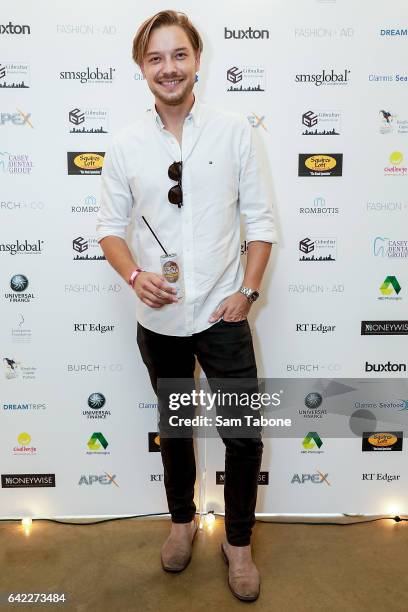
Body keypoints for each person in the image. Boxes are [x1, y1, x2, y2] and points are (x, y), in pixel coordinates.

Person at [96, 10, 278, 602]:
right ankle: (181, 525)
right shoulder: (124, 144)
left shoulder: (234, 131)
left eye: (178, 55)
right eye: (155, 58)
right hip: (162, 319)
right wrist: (133, 275)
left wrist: (246, 294)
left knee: (243, 434)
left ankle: (239, 542)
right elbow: (107, 227)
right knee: (175, 428)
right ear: (141, 68)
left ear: (197, 59)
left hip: (224, 314)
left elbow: (261, 222)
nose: (168, 68)